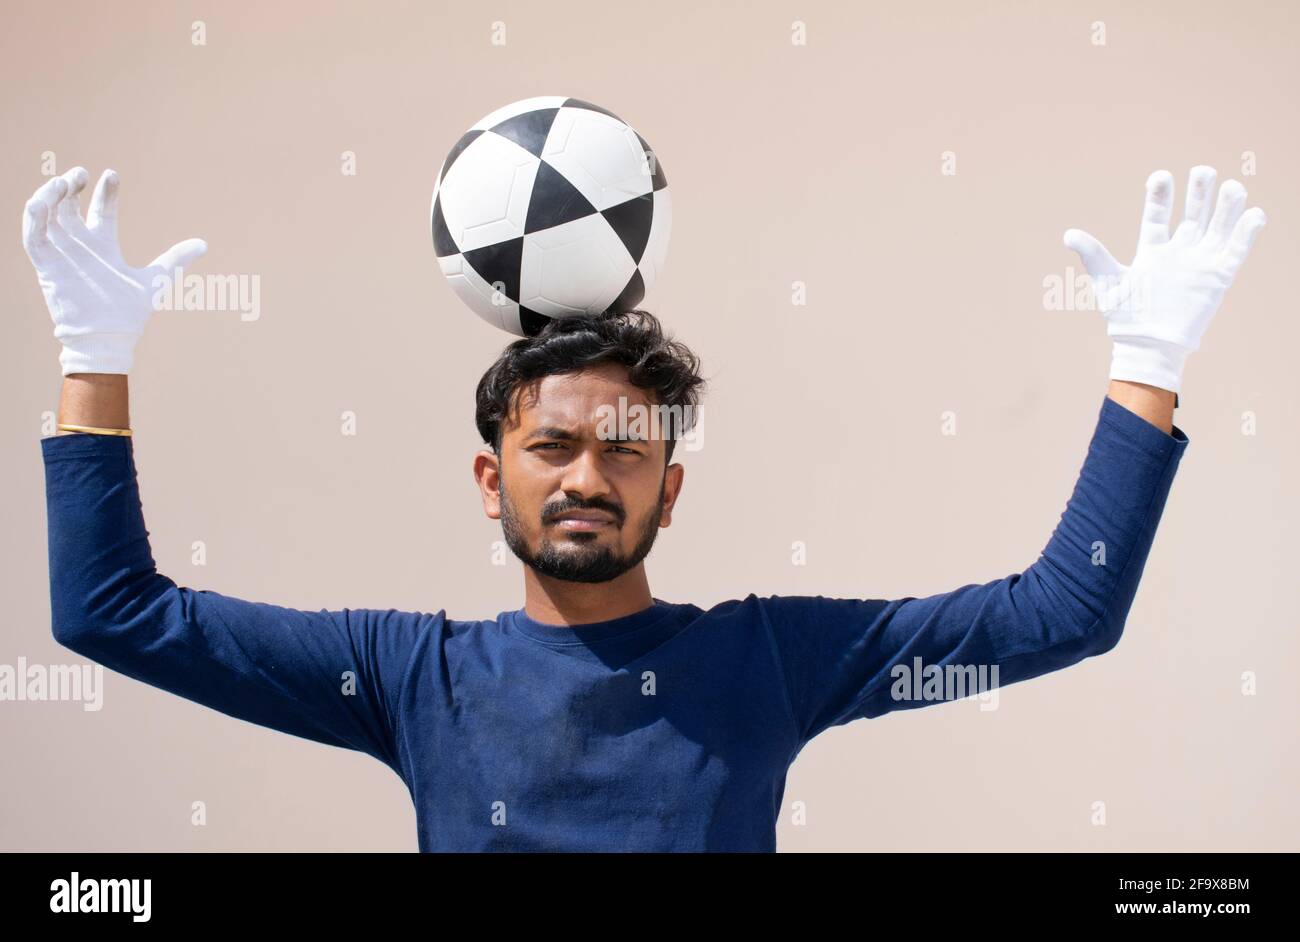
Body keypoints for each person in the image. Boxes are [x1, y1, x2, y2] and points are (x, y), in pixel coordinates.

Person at [25, 164, 1265, 852]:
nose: (584, 475)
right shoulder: (407, 677)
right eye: (551, 444)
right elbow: (113, 616)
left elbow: (1063, 613)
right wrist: (95, 353)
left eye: (625, 451)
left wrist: (1146, 359)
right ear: (488, 477)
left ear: (668, 491)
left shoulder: (768, 662)